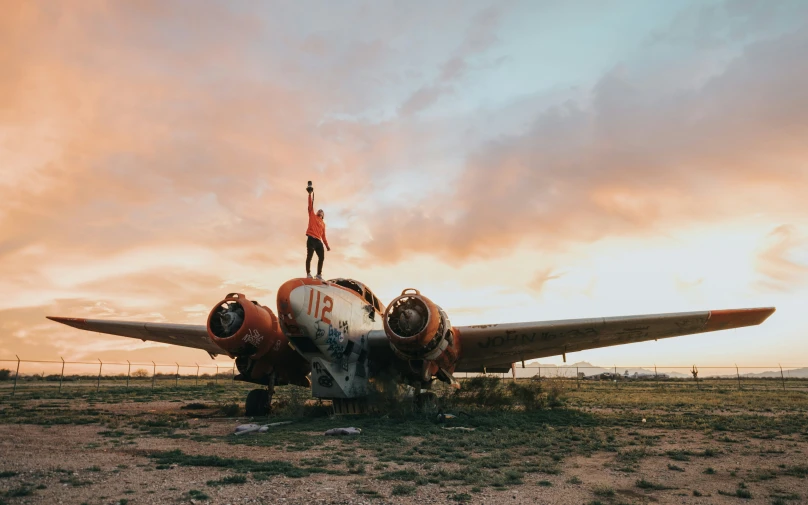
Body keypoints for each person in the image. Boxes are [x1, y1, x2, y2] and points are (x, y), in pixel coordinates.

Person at [305, 183, 330, 280]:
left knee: (322, 257)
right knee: (309, 257)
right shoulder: (312, 215)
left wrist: (327, 245)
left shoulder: (323, 224)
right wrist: (310, 194)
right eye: (319, 210)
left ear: (323, 215)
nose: (320, 211)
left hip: (319, 242)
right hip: (311, 239)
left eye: (321, 211)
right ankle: (308, 274)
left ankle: (319, 274)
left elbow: (324, 236)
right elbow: (310, 205)